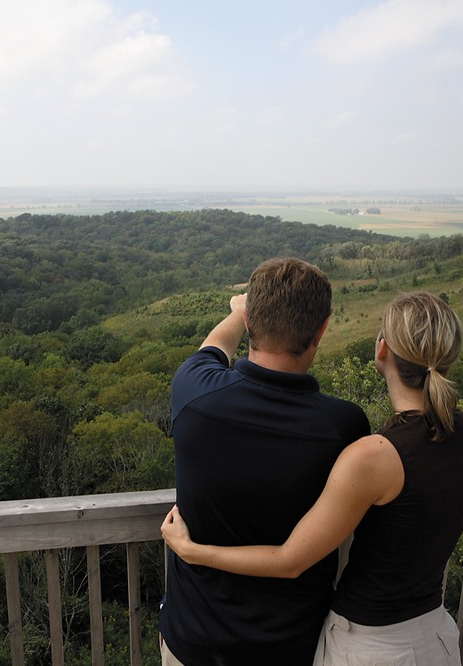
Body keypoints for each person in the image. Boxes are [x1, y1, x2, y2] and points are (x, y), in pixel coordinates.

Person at [162, 291, 463, 665]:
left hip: (369, 646)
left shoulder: (375, 455)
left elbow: (289, 560)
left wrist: (192, 551)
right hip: (434, 635)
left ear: (382, 349)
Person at [159, 257, 371, 666]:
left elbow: (215, 346)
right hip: (290, 645)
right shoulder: (343, 426)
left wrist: (237, 313)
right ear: (320, 331)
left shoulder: (194, 393)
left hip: (194, 642)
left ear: (252, 324)